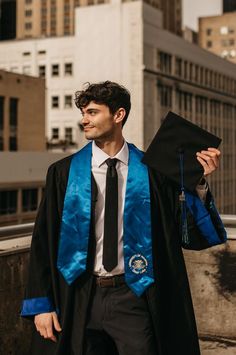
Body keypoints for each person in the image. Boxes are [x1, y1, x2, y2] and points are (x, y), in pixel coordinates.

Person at [21, 81, 227, 355]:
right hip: (79, 295)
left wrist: (197, 182)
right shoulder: (63, 173)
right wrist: (42, 305)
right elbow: (43, 242)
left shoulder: (153, 172)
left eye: (92, 112)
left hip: (134, 295)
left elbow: (186, 232)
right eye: (83, 113)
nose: (84, 120)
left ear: (118, 115)